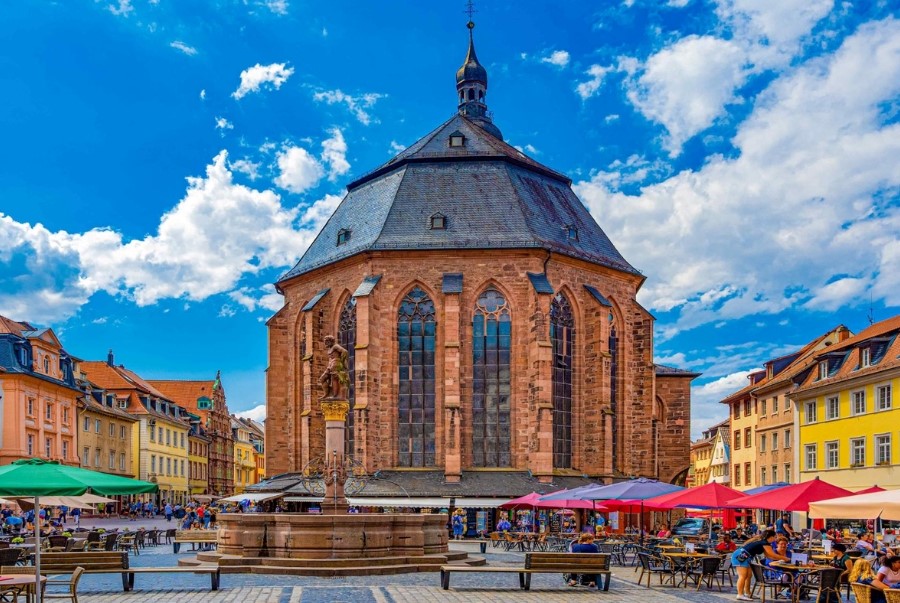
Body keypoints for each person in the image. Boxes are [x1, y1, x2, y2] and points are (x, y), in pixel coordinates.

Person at [732, 529, 791, 601]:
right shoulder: (764, 542)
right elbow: (772, 555)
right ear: (771, 537)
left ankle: (748, 593)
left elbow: (769, 556)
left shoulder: (764, 542)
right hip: (741, 555)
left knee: (749, 575)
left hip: (745, 556)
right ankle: (740, 594)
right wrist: (785, 558)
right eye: (775, 537)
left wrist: (781, 559)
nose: (775, 539)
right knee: (743, 576)